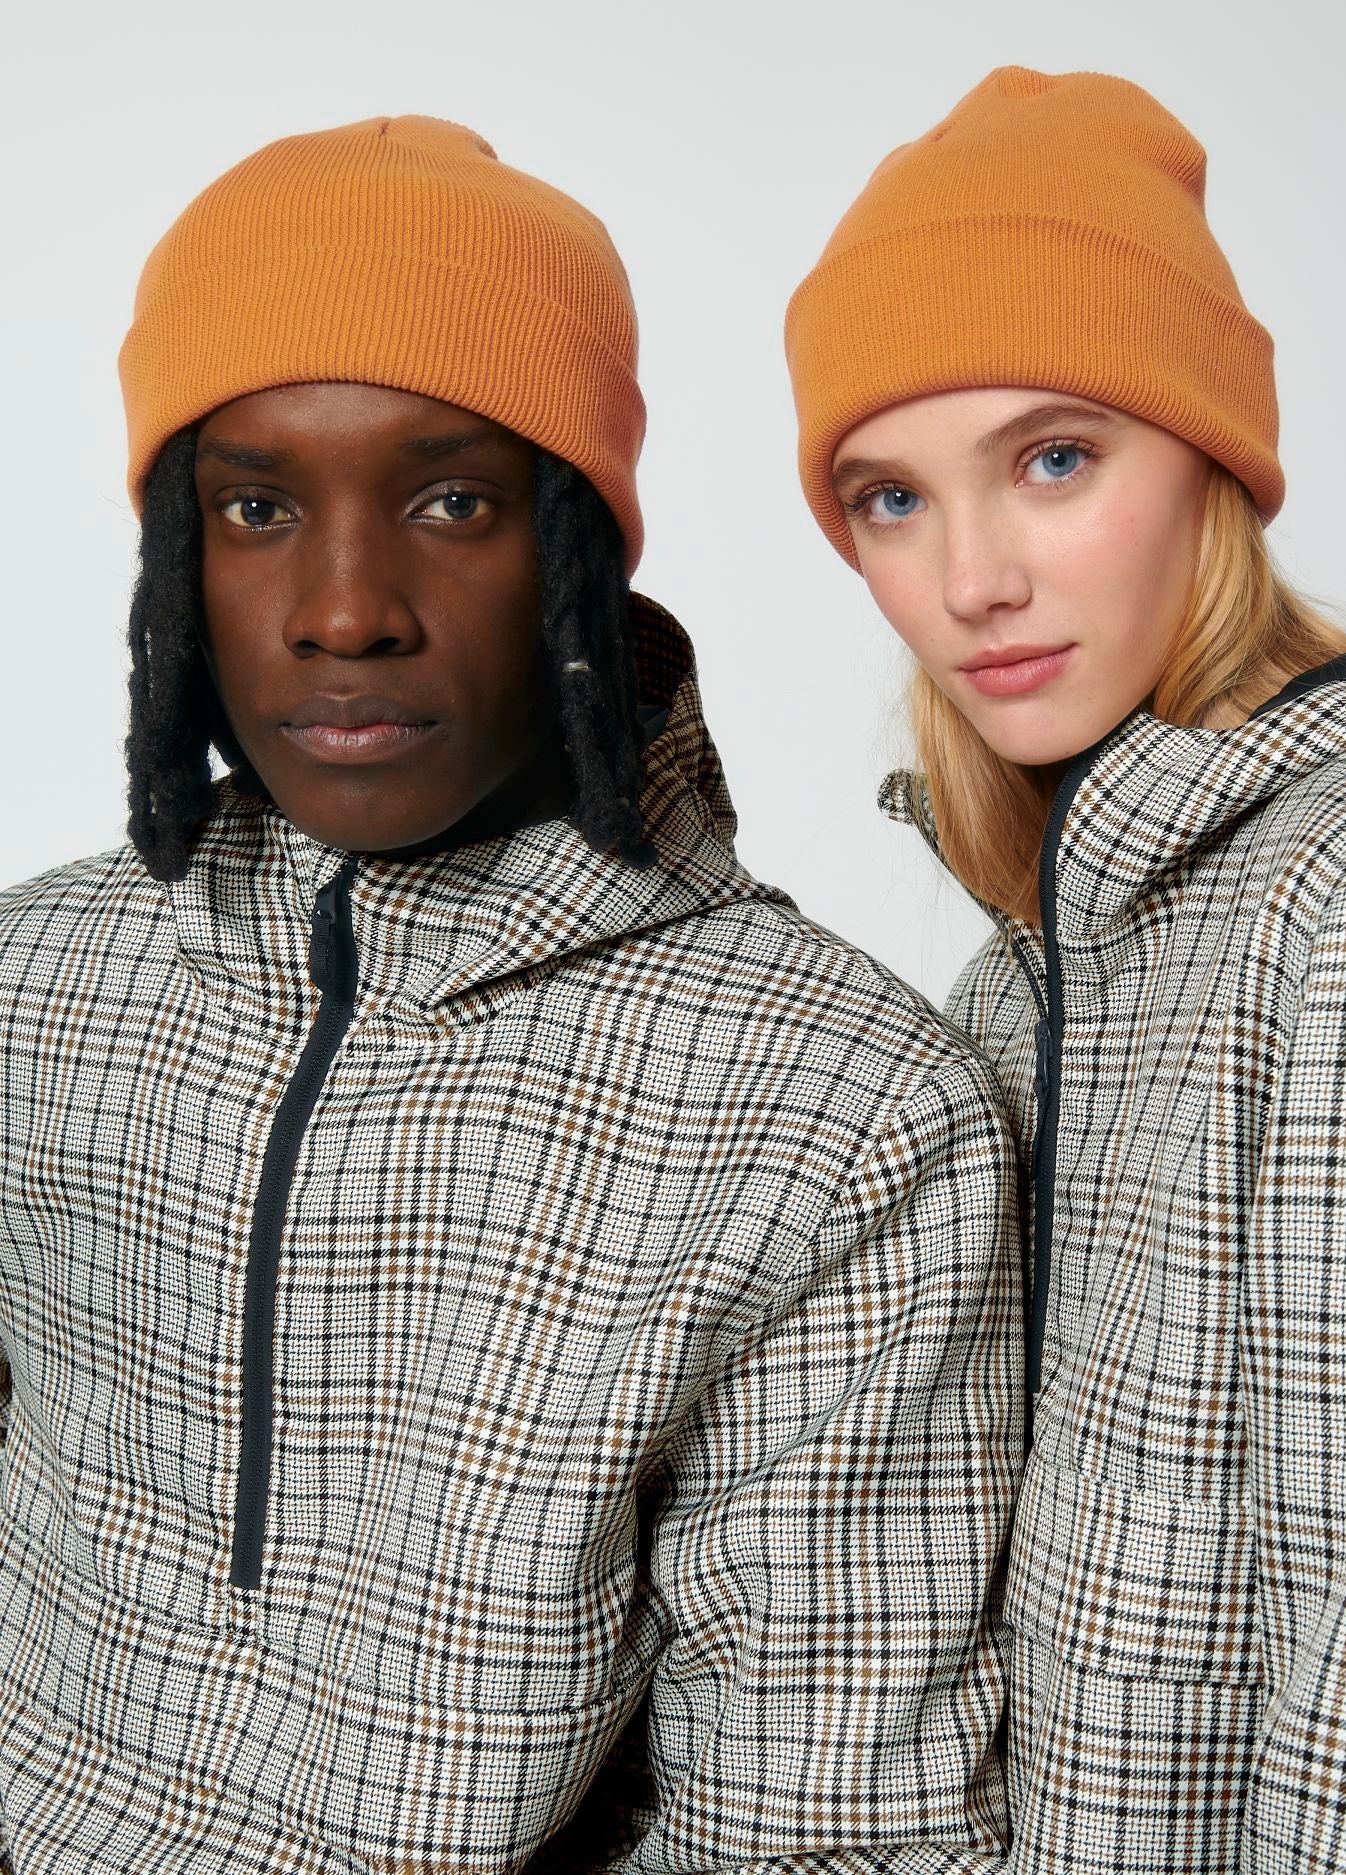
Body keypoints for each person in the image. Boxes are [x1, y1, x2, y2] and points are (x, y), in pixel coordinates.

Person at [0, 115, 1024, 1870]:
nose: (345, 613)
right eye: (256, 507)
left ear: (579, 543)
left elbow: (820, 1825)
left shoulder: (844, 1110)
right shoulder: (37, 978)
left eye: (452, 500)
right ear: (177, 556)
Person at [785, 65, 1346, 1873]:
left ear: (1209, 462)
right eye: (890, 497)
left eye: (1054, 459)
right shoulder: (1037, 962)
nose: (972, 579)